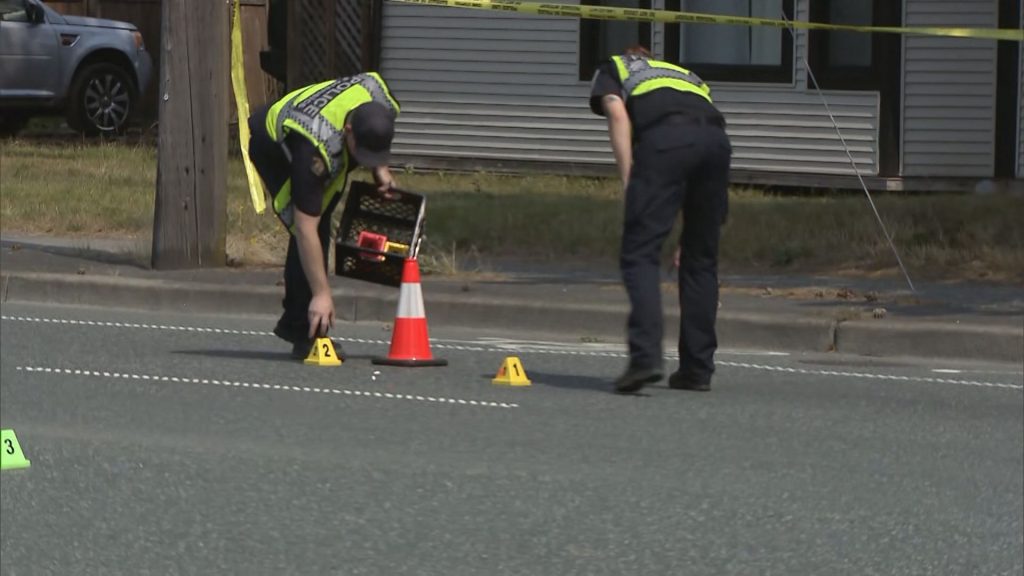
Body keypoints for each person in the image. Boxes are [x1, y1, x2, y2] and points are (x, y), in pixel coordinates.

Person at [589, 45, 732, 394]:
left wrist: (629, 182)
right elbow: (697, 142)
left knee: (639, 253)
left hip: (665, 140)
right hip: (716, 143)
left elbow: (618, 114)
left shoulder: (615, 67)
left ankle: (645, 359)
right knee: (700, 260)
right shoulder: (684, 75)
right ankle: (697, 370)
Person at [247, 72, 400, 359]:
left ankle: (297, 320)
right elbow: (305, 228)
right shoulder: (314, 151)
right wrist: (321, 293)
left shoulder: (379, 96)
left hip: (316, 131)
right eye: (363, 154)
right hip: (272, 143)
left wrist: (379, 168)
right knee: (311, 227)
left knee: (319, 215)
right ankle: (303, 326)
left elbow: (373, 133)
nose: (364, 161)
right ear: (348, 131)